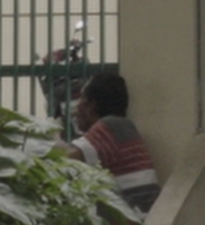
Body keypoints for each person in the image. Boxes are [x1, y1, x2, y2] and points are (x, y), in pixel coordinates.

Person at [67, 68, 160, 213]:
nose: (75, 109)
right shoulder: (123, 128)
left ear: (92, 105)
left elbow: (67, 157)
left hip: (131, 219)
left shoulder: (111, 127)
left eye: (82, 99)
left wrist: (47, 135)